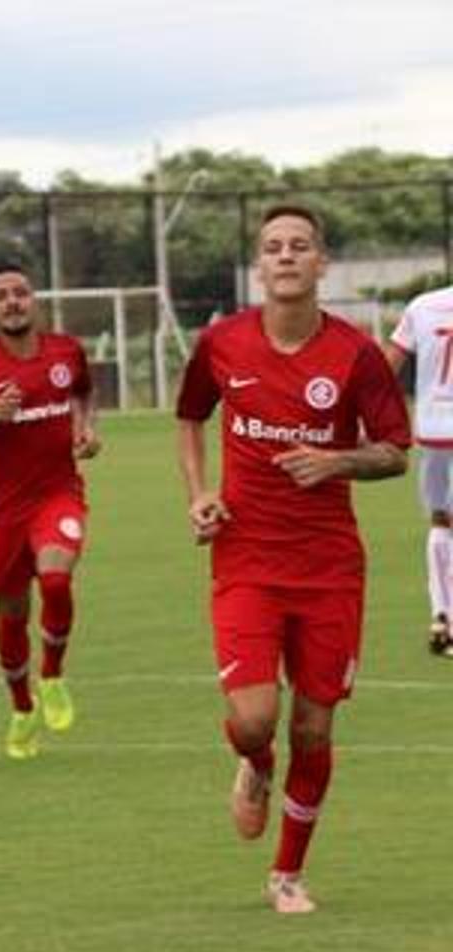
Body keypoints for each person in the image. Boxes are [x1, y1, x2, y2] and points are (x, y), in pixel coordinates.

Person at [176, 204, 410, 915]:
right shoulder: (221, 344)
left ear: (321, 264)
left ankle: (286, 875)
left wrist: (338, 461)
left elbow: (395, 451)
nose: (285, 256)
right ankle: (253, 765)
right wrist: (201, 493)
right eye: (273, 247)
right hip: (245, 559)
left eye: (299, 246)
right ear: (259, 265)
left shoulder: (355, 354)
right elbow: (190, 416)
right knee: (254, 721)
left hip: (330, 569)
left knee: (314, 727)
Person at [0, 258, 100, 760]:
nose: (13, 301)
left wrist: (87, 428)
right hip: (4, 510)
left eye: (20, 292)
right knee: (11, 615)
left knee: (56, 579)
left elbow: (85, 394)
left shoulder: (66, 352)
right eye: (1, 296)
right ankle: (22, 705)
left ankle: (51, 674)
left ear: (35, 300)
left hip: (58, 494)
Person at [381, 280, 453, 655]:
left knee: (442, 521)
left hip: (433, 430)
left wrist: (365, 419)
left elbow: (385, 368)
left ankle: (443, 615)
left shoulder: (423, 305)